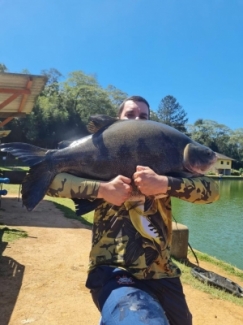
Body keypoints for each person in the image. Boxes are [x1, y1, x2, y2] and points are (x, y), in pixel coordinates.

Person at [47, 96, 219, 325]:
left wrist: (166, 184)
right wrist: (102, 189)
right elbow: (48, 184)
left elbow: (212, 191)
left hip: (163, 271)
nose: (137, 119)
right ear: (117, 119)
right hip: (113, 268)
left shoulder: (171, 157)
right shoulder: (97, 150)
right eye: (130, 114)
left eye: (143, 116)